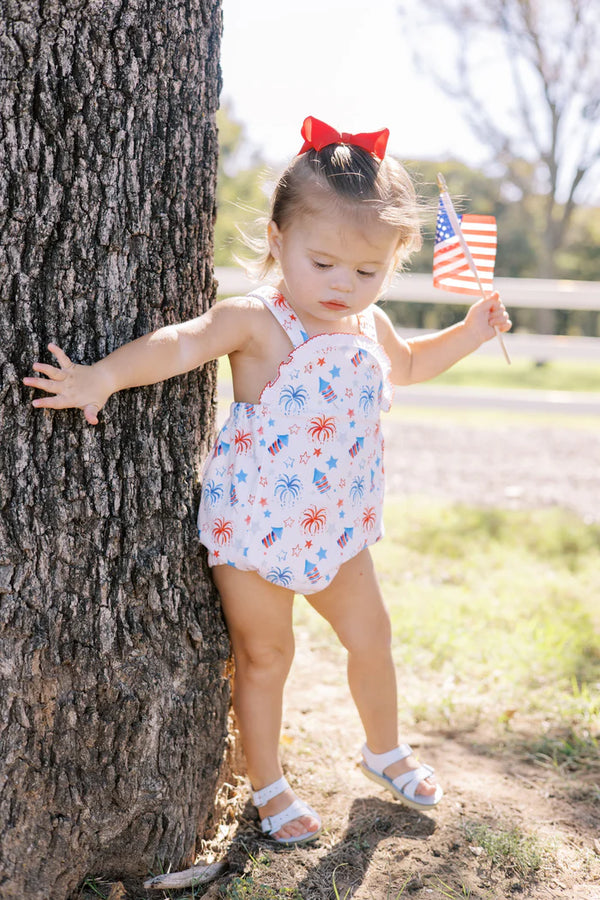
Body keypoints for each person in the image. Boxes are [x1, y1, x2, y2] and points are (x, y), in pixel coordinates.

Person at [23, 115, 511, 846]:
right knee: (265, 654)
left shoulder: (369, 326)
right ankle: (270, 785)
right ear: (279, 242)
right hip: (254, 526)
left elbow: (407, 368)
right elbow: (180, 344)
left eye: (367, 272)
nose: (344, 286)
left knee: (371, 635)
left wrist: (471, 332)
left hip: (339, 525)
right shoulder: (260, 320)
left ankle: (384, 748)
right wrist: (103, 377)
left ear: (393, 263)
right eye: (324, 264)